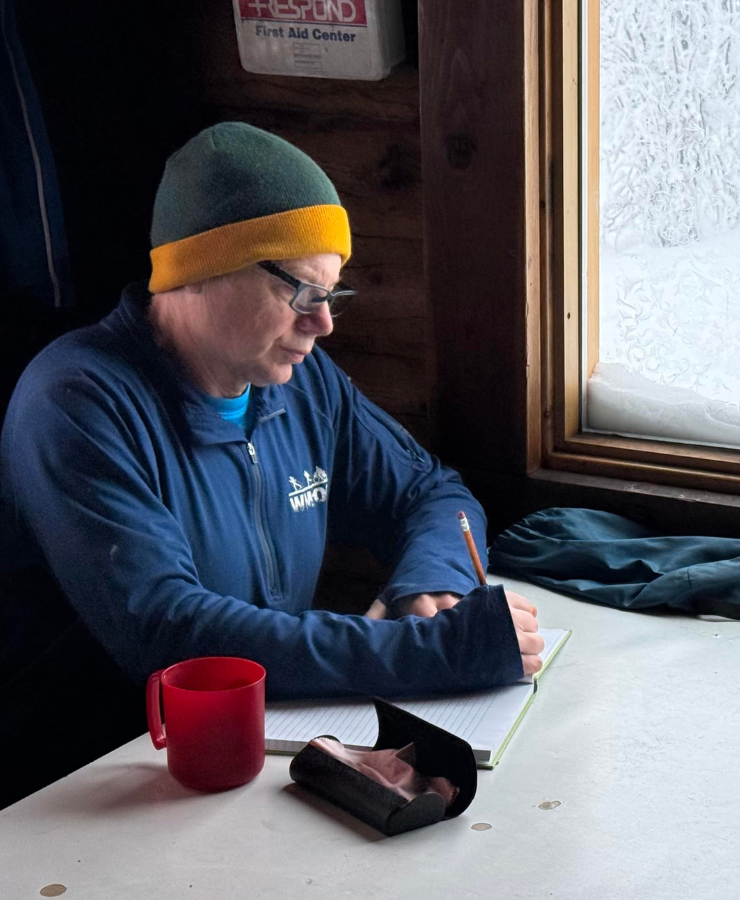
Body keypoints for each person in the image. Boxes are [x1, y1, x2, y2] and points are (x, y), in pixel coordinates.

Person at [0, 122, 542, 807]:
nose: (324, 325)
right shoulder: (77, 401)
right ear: (202, 270)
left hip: (244, 760)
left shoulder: (297, 384)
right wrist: (431, 652)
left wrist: (427, 587)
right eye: (302, 292)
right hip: (83, 790)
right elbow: (173, 633)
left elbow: (434, 491)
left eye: (332, 295)